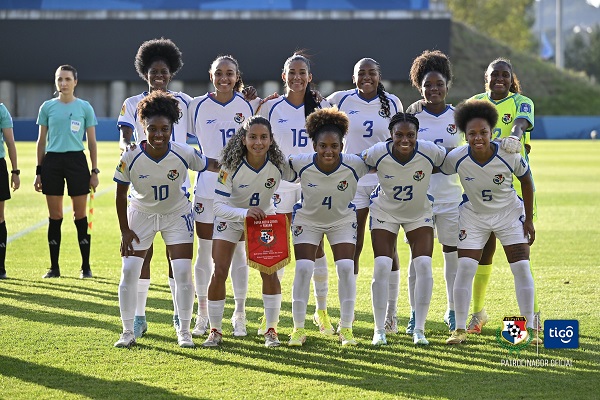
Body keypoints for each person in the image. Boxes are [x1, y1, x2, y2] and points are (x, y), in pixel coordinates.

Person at [113, 91, 220, 349]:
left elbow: (214, 164)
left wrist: (249, 160)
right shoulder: (130, 157)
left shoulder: (184, 152)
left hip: (176, 215)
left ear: (173, 128)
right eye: (152, 129)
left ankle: (184, 331)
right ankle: (127, 331)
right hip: (140, 214)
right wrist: (125, 231)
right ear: (143, 127)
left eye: (164, 129)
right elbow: (120, 194)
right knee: (129, 271)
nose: (159, 134)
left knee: (183, 272)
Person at [440, 99, 536, 344]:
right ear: (465, 135)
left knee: (521, 268)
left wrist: (529, 220)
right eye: (472, 133)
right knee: (466, 269)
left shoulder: (507, 153)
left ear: (492, 131)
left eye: (483, 132)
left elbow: (526, 181)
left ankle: (531, 332)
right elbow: (433, 167)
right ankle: (459, 330)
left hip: (508, 214)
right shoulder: (457, 157)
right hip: (474, 216)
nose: (478, 137)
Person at [117, 38, 191, 339]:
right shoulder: (132, 104)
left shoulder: (185, 101)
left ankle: (179, 316)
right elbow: (124, 133)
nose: (159, 76)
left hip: (177, 192)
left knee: (177, 262)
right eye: (153, 71)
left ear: (171, 72)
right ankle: (138, 318)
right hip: (143, 190)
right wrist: (128, 147)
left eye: (164, 71)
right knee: (141, 258)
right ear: (144, 73)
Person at [257, 52, 333, 336]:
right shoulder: (272, 107)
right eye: (292, 72)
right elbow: (255, 138)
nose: (297, 77)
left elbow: (336, 144)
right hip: (279, 185)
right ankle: (272, 317)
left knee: (316, 248)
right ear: (283, 75)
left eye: (302, 72)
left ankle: (321, 311)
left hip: (313, 184)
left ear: (309, 77)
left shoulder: (323, 107)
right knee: (276, 249)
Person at [326, 58, 403, 335]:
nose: (366, 77)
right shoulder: (340, 100)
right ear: (353, 76)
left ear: (379, 75)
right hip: (354, 182)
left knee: (388, 247)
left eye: (371, 73)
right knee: (352, 246)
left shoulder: (393, 102)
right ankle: (349, 316)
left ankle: (390, 316)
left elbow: (401, 139)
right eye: (361, 73)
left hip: (386, 180)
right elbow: (314, 111)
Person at [188, 55, 262, 338]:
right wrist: (206, 162)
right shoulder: (196, 105)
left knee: (239, 253)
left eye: (229, 73)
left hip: (239, 189)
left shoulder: (247, 105)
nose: (224, 78)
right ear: (211, 76)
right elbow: (183, 142)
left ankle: (239, 314)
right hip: (207, 186)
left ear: (236, 76)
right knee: (205, 252)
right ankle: (203, 314)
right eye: (219, 73)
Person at [465, 58, 541, 335]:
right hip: (482, 188)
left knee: (520, 257)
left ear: (511, 79)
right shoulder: (474, 103)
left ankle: (532, 317)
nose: (499, 79)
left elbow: (520, 122)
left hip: (516, 189)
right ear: (485, 77)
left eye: (504, 75)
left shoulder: (522, 101)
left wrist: (516, 136)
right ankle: (477, 313)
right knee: (483, 254)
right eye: (494, 74)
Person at [203, 116, 292, 348]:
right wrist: (244, 213)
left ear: (271, 140)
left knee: (270, 272)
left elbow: (304, 173)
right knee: (219, 270)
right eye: (253, 137)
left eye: (264, 137)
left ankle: (271, 330)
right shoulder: (230, 166)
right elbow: (218, 206)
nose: (258, 142)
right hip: (232, 218)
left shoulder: (278, 166)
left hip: (262, 220)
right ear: (243, 140)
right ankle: (215, 330)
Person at [287, 107, 370, 347]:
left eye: (334, 146)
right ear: (314, 146)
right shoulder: (300, 163)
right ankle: (298, 329)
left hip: (341, 221)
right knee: (303, 269)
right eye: (323, 145)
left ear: (342, 146)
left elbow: (382, 163)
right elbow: (275, 170)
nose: (329, 151)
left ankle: (346, 328)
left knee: (345, 268)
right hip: (308, 221)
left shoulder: (355, 164)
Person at [362, 112, 447, 346]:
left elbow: (450, 161)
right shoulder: (377, 152)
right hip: (384, 212)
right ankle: (379, 329)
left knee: (424, 265)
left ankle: (419, 329)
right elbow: (356, 163)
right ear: (391, 135)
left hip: (418, 212)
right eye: (399, 134)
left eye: (410, 134)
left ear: (418, 134)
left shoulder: (430, 151)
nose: (405, 140)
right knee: (381, 264)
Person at [404, 50, 463, 333]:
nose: (434, 89)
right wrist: (443, 159)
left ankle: (452, 310)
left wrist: (439, 160)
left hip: (451, 198)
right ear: (419, 86)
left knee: (451, 256)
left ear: (447, 85)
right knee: (419, 259)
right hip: (419, 198)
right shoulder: (412, 117)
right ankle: (415, 313)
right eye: (428, 84)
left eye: (439, 83)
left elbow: (464, 154)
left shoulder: (459, 116)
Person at [35, 64, 98, 279]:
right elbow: (41, 141)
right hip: (52, 162)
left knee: (79, 216)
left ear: (75, 82)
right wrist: (39, 171)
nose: (63, 83)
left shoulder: (84, 108)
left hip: (76, 162)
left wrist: (94, 170)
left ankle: (86, 267)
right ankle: (54, 267)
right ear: (56, 82)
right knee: (55, 216)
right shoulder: (47, 107)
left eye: (67, 79)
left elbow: (91, 142)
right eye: (59, 79)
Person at [0, 103, 19, 280]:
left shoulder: (1, 109)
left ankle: (1, 267)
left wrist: (15, 171)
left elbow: (10, 142)